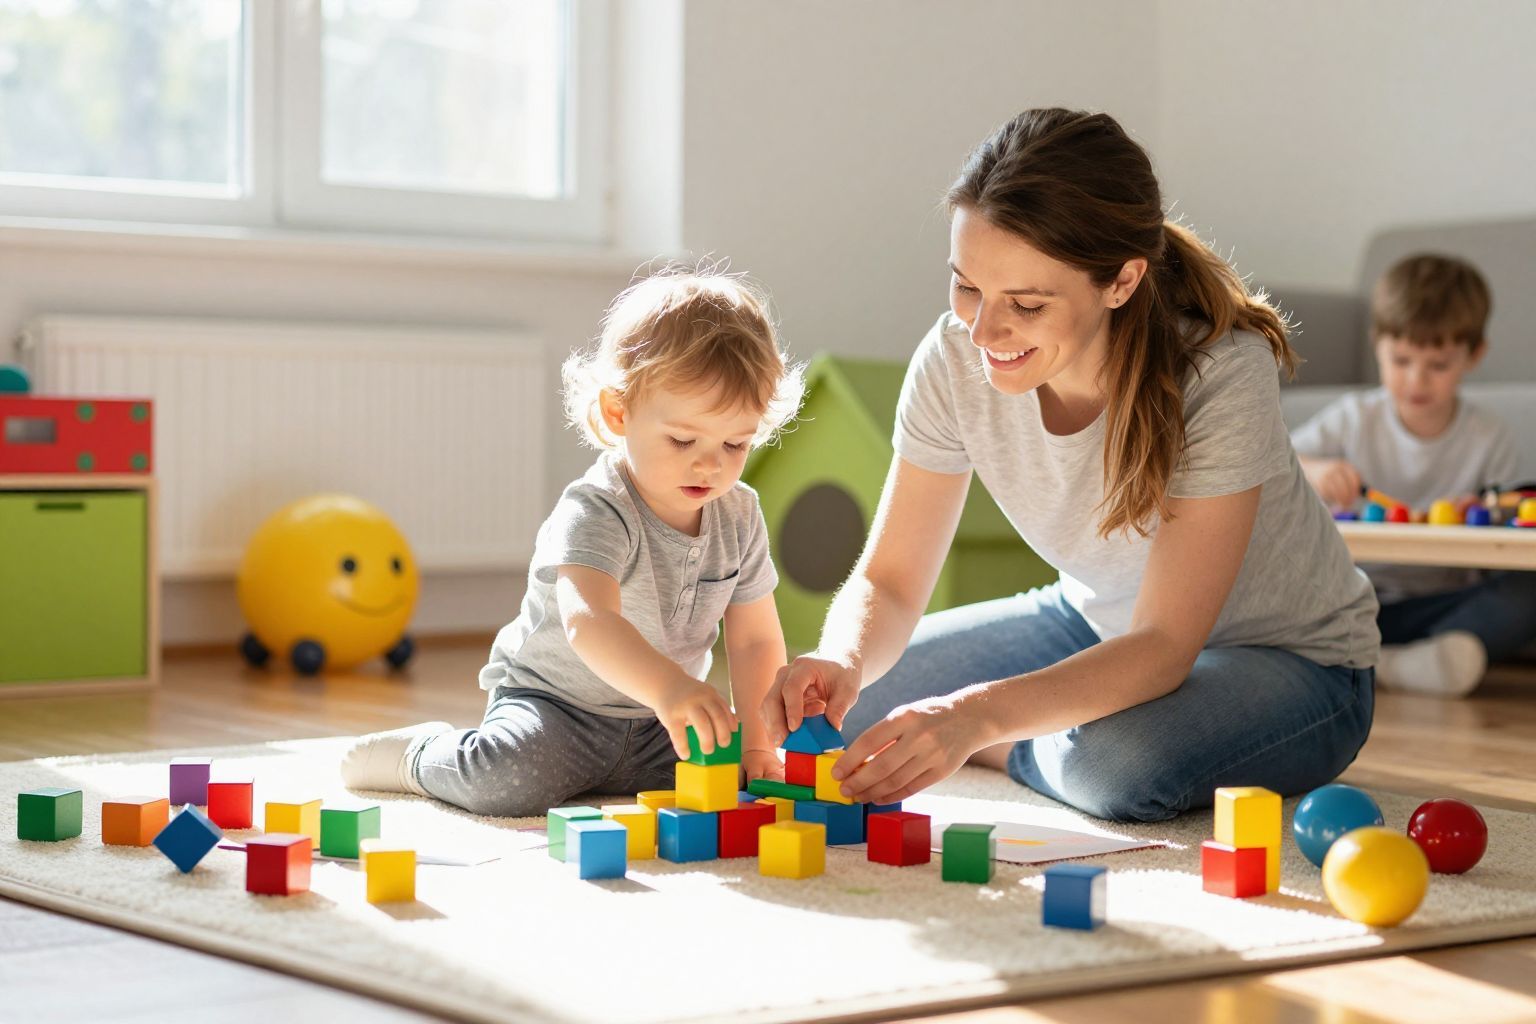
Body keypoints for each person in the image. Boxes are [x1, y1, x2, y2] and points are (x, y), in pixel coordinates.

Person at [762, 108, 1379, 822]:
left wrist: (978, 720)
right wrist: (842, 657)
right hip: (1091, 621)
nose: (984, 331)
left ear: (1120, 282)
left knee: (1112, 764)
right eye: (967, 286)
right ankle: (1024, 727)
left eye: (1025, 303)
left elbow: (1164, 645)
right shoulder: (954, 356)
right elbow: (892, 580)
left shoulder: (1220, 373)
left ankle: (1020, 743)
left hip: (1293, 662)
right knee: (853, 705)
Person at [341, 265, 803, 815]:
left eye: (735, 443)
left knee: (735, 790)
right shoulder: (597, 506)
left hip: (659, 724)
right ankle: (419, 756)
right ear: (618, 412)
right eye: (682, 439)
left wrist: (755, 745)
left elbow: (753, 640)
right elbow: (591, 620)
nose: (711, 463)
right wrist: (670, 688)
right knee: (508, 782)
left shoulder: (740, 514)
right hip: (557, 707)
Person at [1294, 254, 1534, 697]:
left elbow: (1505, 529)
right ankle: (1392, 661)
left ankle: (1407, 661)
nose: (1417, 380)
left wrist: (1483, 511)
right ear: (1377, 344)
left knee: (1526, 591)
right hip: (1354, 598)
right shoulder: (1353, 419)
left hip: (1442, 607)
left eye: (1438, 365)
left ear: (1474, 355)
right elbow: (1275, 458)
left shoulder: (1488, 436)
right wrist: (1316, 469)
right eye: (1401, 360)